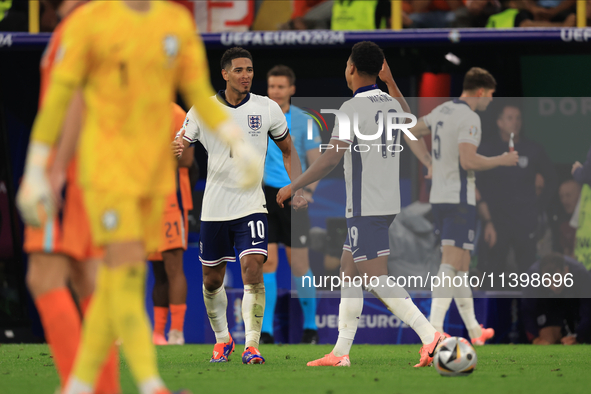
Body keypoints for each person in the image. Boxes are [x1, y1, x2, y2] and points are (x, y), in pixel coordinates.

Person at [16, 1, 257, 393]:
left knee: (108, 282)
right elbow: (64, 98)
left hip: (154, 182)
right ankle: (145, 382)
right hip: (102, 176)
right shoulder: (89, 24)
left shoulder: (173, 23)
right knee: (116, 280)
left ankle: (85, 384)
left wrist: (235, 141)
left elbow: (196, 90)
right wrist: (41, 169)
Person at [277, 41, 442, 368]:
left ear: (351, 68)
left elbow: (330, 159)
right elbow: (410, 122)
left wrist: (293, 185)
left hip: (367, 204)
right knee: (349, 271)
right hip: (387, 201)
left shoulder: (352, 109)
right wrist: (391, 82)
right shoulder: (392, 104)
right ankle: (340, 353)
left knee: (375, 278)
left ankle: (431, 336)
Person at [174, 47, 307, 365]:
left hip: (251, 204)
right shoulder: (204, 109)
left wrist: (297, 186)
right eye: (239, 70)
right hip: (215, 208)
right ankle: (222, 341)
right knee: (212, 280)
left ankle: (252, 345)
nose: (246, 75)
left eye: (249, 70)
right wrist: (175, 147)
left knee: (253, 270)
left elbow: (288, 150)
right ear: (224, 74)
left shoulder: (267, 108)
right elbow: (181, 144)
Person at [20, 1, 119, 393]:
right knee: (87, 279)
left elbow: (77, 94)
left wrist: (56, 168)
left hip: (71, 167)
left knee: (44, 277)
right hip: (91, 167)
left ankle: (76, 385)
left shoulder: (79, 27)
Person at [406, 67, 519, 345]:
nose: (491, 101)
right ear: (480, 92)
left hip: (442, 197)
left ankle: (474, 330)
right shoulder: (470, 118)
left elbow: (409, 131)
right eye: (490, 95)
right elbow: (468, 161)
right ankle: (433, 330)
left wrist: (428, 162)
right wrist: (501, 160)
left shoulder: (443, 110)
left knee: (462, 266)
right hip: (458, 199)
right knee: (451, 263)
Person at [261, 65, 321, 345]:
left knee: (299, 265)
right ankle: (266, 331)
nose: (276, 91)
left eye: (281, 87)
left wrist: (306, 192)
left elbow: (316, 161)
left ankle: (310, 328)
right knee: (268, 262)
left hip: (295, 197)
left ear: (292, 89)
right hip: (265, 198)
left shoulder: (304, 121)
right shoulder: (257, 117)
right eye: (272, 86)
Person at [476, 105, 558, 275]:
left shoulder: (533, 149)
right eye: (510, 118)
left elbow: (552, 179)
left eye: (518, 118)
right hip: (497, 222)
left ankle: (527, 303)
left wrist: (539, 206)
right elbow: (477, 184)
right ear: (499, 122)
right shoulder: (487, 150)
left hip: (525, 221)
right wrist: (487, 221)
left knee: (528, 273)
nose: (515, 122)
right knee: (492, 273)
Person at [149, 103, 194, 346]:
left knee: (172, 265)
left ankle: (176, 332)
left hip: (171, 200)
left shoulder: (176, 114)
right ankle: (157, 334)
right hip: (146, 201)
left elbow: (185, 158)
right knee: (156, 270)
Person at [521, 253, 591, 345]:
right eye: (549, 280)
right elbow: (527, 311)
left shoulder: (581, 274)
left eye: (557, 278)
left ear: (566, 271)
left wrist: (578, 337)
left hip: (574, 301)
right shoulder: (532, 278)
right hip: (547, 301)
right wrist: (535, 338)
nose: (554, 286)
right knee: (548, 340)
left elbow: (588, 310)